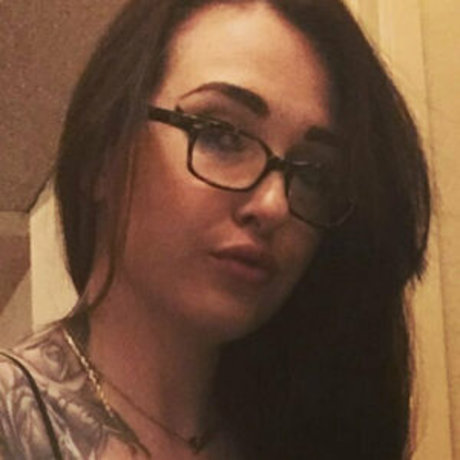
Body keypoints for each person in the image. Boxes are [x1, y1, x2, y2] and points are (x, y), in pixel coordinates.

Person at [0, 0, 430, 458]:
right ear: (101, 157)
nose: (275, 205)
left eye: (313, 174)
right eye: (221, 134)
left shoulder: (310, 431)